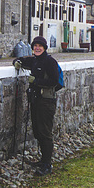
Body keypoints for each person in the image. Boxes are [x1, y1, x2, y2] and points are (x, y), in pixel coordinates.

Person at [13, 36, 60, 176]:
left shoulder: (50, 62)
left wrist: (37, 81)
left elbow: (54, 81)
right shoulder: (34, 60)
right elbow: (20, 60)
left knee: (45, 132)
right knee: (37, 130)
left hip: (46, 101)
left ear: (44, 48)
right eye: (35, 46)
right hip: (36, 100)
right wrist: (17, 62)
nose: (37, 48)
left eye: (40, 46)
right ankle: (43, 160)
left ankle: (47, 164)